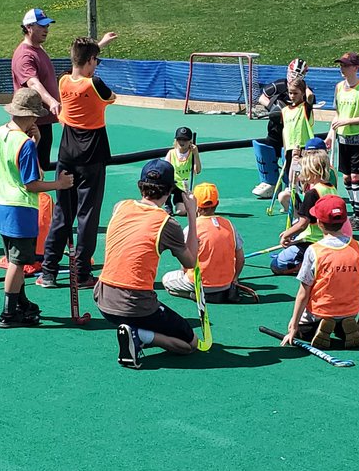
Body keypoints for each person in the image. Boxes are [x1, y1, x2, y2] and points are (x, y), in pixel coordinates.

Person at [94, 159, 199, 369]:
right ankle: (138, 336)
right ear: (170, 191)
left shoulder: (119, 206)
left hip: (103, 299)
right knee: (190, 344)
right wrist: (192, 216)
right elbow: (191, 262)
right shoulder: (167, 223)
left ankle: (136, 334)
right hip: (136, 304)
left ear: (140, 186)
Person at [37, 36, 117, 289]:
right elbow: (111, 97)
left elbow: (80, 61)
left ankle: (48, 271)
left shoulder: (62, 81)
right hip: (92, 156)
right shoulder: (95, 83)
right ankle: (81, 274)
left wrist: (97, 45)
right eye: (96, 60)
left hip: (66, 155)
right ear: (91, 61)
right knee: (87, 216)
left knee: (62, 214)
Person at [0, 88, 75, 328]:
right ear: (31, 116)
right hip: (20, 206)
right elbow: (31, 183)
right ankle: (8, 312)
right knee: (18, 262)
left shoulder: (1, 133)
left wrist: (35, 141)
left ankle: (21, 302)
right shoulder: (24, 144)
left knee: (13, 257)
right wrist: (59, 184)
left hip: (2, 201)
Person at [11, 7, 118, 171]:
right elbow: (33, 83)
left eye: (47, 26)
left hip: (42, 120)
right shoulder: (25, 55)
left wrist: (99, 45)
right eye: (41, 26)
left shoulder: (37, 50)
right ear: (28, 27)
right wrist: (51, 101)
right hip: (32, 122)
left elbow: (78, 63)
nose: (46, 30)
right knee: (32, 170)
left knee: (41, 166)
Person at [280, 195, 359, 350]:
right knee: (344, 316)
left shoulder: (314, 251)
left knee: (304, 331)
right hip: (350, 310)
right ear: (344, 221)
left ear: (319, 223)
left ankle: (321, 324)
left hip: (320, 310)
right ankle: (344, 324)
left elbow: (304, 292)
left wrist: (294, 326)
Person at [163, 182, 246, 302]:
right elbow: (241, 259)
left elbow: (185, 262)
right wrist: (235, 279)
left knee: (167, 280)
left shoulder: (192, 228)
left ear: (195, 205)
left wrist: (185, 273)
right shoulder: (229, 225)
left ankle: (196, 295)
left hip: (199, 283)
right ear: (217, 203)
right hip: (227, 284)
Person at [251, 58, 315, 198]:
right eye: (292, 74)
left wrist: (305, 90)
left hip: (295, 134)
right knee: (264, 148)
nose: (294, 78)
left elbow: (310, 98)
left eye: (298, 76)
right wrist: (273, 108)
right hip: (276, 129)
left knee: (291, 158)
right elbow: (262, 97)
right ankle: (270, 182)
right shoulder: (279, 84)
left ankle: (289, 185)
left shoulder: (304, 91)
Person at [329, 51, 359, 231]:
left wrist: (347, 121)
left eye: (346, 65)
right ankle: (354, 211)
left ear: (356, 68)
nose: (342, 68)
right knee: (347, 177)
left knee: (357, 176)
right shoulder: (339, 87)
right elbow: (337, 115)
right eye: (341, 65)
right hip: (342, 138)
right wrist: (330, 134)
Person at [272, 147, 338, 275]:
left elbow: (303, 223)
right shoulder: (331, 188)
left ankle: (304, 264)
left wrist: (287, 234)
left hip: (313, 241)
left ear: (311, 171)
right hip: (328, 238)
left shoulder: (312, 194)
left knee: (276, 265)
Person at [165, 126, 201, 214]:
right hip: (172, 184)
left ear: (190, 141)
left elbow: (197, 170)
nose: (182, 142)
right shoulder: (171, 153)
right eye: (179, 139)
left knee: (181, 211)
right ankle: (167, 203)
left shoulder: (192, 154)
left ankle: (180, 202)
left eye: (185, 140)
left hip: (184, 187)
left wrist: (196, 154)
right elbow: (165, 170)